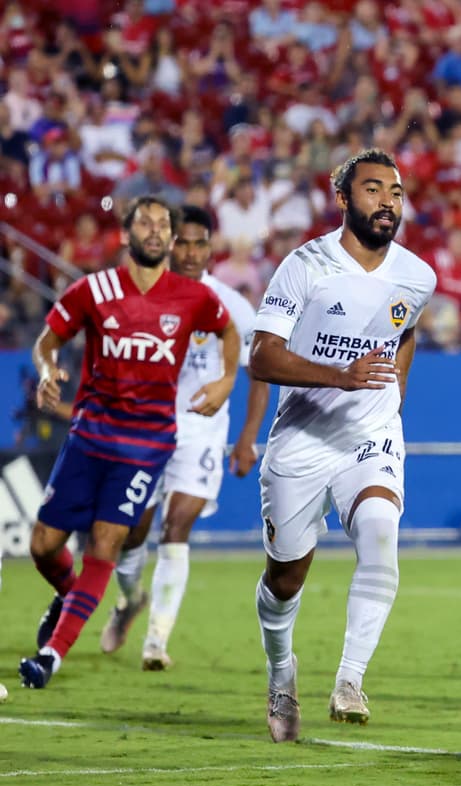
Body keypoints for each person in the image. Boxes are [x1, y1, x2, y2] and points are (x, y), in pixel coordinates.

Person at [248, 149, 437, 741]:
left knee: (380, 528)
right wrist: (340, 376)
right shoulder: (305, 266)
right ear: (343, 198)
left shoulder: (419, 275)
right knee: (286, 578)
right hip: (302, 439)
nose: (388, 201)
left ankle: (350, 679)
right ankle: (282, 673)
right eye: (374, 189)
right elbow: (261, 357)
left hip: (370, 431)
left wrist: (395, 390)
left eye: (397, 192)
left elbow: (405, 330)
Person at [20, 196, 237, 689]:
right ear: (125, 234)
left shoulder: (193, 296)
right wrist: (47, 368)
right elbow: (47, 339)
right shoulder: (91, 290)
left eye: (164, 224)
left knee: (108, 541)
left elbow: (228, 331)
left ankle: (52, 655)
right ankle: (73, 596)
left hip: (146, 444)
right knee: (42, 546)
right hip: (91, 434)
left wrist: (226, 382)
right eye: (146, 222)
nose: (157, 231)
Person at [99, 205, 265, 670]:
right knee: (132, 533)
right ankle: (131, 600)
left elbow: (260, 373)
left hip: (202, 435)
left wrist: (248, 437)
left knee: (177, 530)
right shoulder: (143, 295)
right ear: (168, 244)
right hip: (144, 430)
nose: (190, 252)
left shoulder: (232, 304)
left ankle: (157, 640)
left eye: (199, 243)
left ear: (211, 247)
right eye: (182, 242)